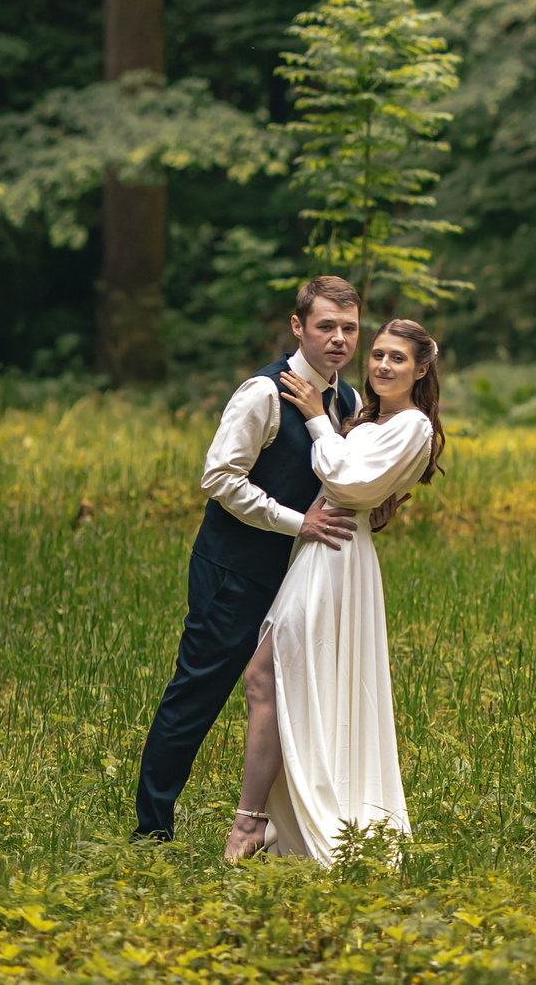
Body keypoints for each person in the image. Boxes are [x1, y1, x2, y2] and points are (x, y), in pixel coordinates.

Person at [133, 275, 367, 842]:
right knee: (199, 693)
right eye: (325, 326)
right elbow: (219, 477)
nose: (338, 339)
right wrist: (297, 523)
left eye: (349, 328)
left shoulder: (349, 400)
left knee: (291, 695)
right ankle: (151, 830)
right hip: (232, 569)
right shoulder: (262, 393)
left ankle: (279, 828)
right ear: (297, 327)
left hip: (301, 576)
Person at [224, 318, 446, 863]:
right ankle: (280, 817)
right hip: (323, 550)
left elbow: (349, 483)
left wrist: (318, 421)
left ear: (421, 369)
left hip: (339, 554)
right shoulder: (372, 418)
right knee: (293, 681)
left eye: (398, 358)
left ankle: (251, 824)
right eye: (379, 355)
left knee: (265, 675)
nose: (382, 365)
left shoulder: (413, 425)